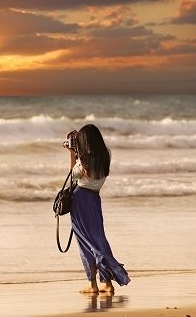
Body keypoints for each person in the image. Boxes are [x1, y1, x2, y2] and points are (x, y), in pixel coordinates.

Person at [64, 124, 130, 293]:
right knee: (99, 240)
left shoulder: (83, 159)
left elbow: (73, 174)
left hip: (80, 199)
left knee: (86, 243)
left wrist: (72, 153)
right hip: (94, 198)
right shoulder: (106, 153)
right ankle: (107, 282)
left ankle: (92, 284)